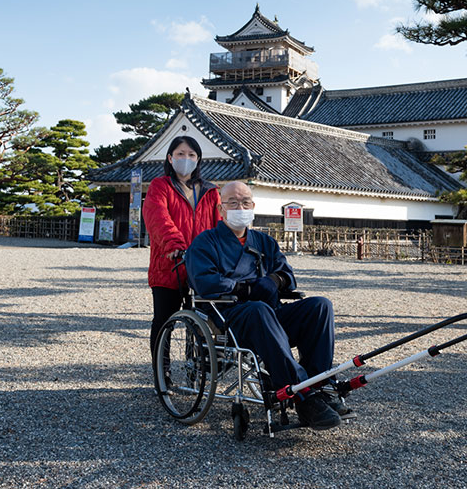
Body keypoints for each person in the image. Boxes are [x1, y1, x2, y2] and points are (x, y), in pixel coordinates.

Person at [185, 181, 345, 431]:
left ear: (253, 206)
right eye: (233, 202)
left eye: (245, 202)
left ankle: (319, 386)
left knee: (320, 306)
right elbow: (205, 282)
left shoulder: (264, 242)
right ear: (220, 209)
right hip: (232, 317)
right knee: (258, 309)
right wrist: (243, 289)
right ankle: (302, 397)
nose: (240, 207)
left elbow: (287, 275)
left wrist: (274, 280)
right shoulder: (205, 243)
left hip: (271, 313)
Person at [143, 135, 222, 361]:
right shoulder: (160, 186)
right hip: (170, 263)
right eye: (180, 154)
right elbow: (158, 218)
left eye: (191, 155)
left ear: (198, 160)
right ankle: (162, 371)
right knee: (163, 320)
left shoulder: (210, 191)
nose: (185, 159)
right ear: (170, 157)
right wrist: (174, 244)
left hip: (202, 265)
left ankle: (195, 369)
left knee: (200, 323)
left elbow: (219, 225)